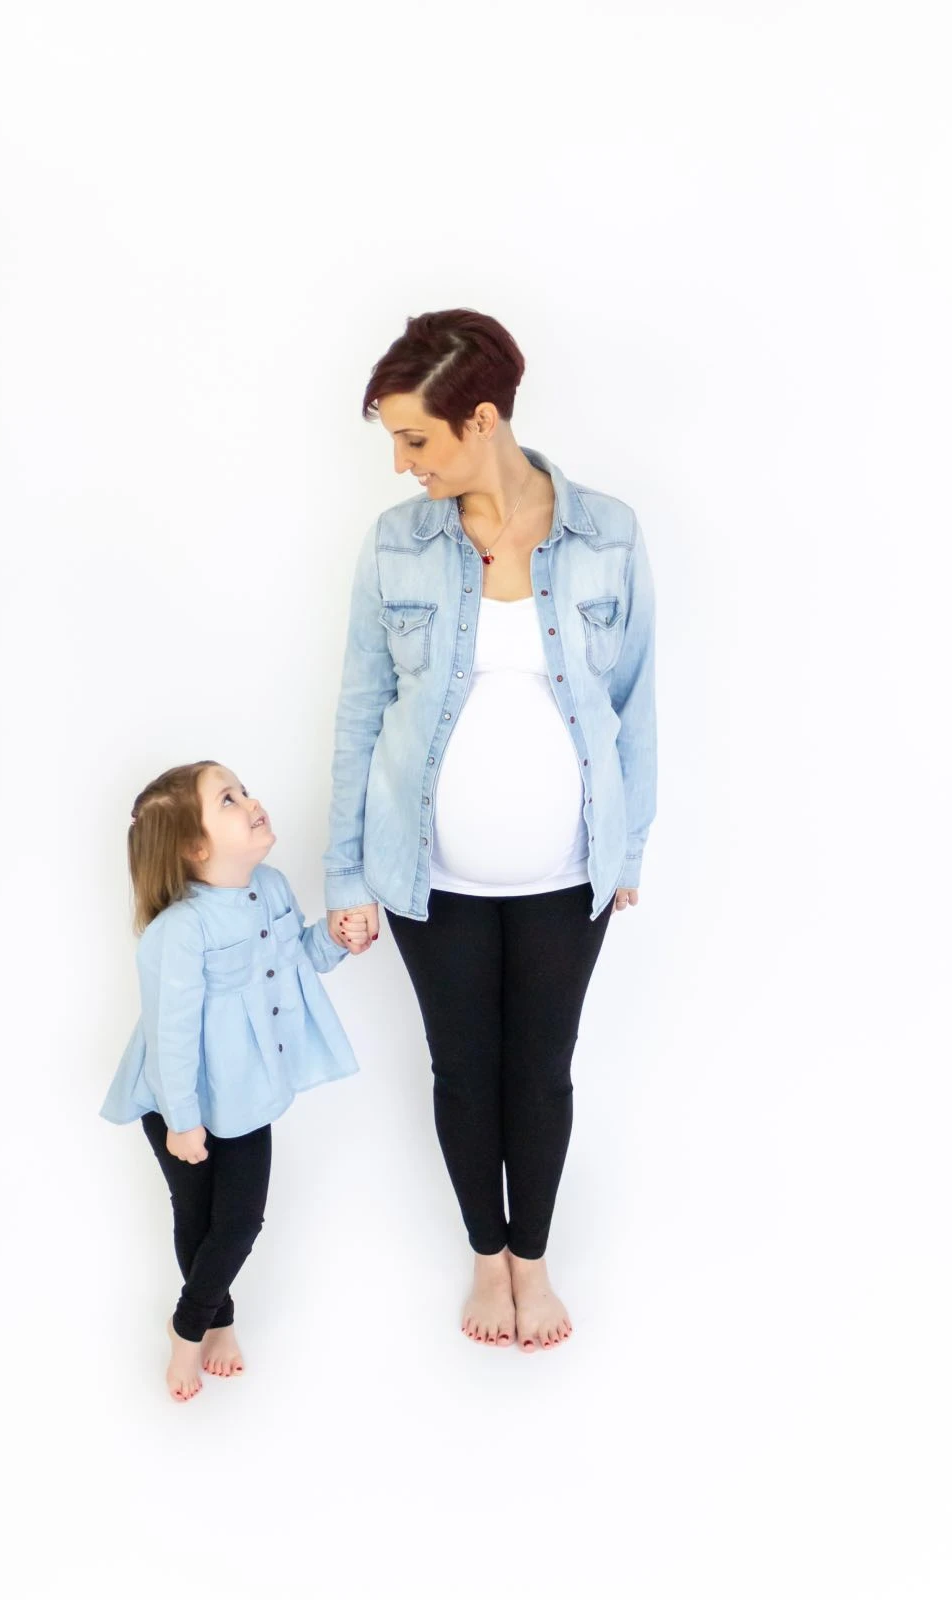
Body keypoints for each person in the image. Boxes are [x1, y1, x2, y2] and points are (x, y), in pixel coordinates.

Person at [323, 309, 657, 1353]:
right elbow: (358, 711)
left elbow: (636, 700)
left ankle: (533, 1262)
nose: (401, 463)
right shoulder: (397, 544)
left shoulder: (607, 534)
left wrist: (629, 846)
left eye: (415, 438)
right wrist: (345, 873)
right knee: (462, 1069)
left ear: (480, 419)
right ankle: (484, 1259)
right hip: (430, 877)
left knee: (542, 1069)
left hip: (569, 873)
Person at [102, 761, 367, 1401]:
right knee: (197, 1215)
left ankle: (189, 1323)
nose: (250, 801)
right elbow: (170, 1033)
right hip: (177, 1100)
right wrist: (182, 1119)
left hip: (244, 1092)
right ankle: (207, 1326)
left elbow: (293, 962)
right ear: (195, 849)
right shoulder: (179, 932)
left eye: (243, 789)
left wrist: (334, 938)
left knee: (241, 1218)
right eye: (228, 799)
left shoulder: (270, 887)